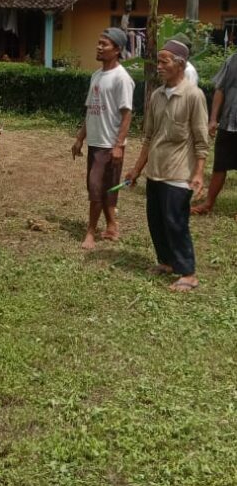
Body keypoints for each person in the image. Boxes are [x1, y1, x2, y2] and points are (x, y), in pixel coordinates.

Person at [126, 39, 209, 291]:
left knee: (175, 222)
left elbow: (201, 140)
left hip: (179, 172)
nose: (159, 66)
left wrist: (199, 173)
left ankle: (188, 273)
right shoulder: (156, 95)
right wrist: (137, 168)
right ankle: (167, 262)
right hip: (156, 171)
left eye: (165, 61)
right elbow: (149, 137)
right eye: (158, 61)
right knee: (156, 220)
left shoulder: (193, 96)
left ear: (180, 65)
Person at [72, 28, 135, 250]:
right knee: (106, 187)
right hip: (95, 143)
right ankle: (111, 226)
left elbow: (127, 114)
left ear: (117, 50)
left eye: (104, 44)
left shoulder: (122, 78)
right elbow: (91, 110)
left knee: (95, 186)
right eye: (98, 43)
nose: (98, 47)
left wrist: (118, 146)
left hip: (110, 145)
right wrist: (80, 139)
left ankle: (91, 232)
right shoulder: (96, 76)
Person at [191, 48, 237, 216]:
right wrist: (213, 119)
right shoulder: (232, 60)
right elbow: (220, 89)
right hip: (228, 122)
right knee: (220, 164)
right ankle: (208, 203)